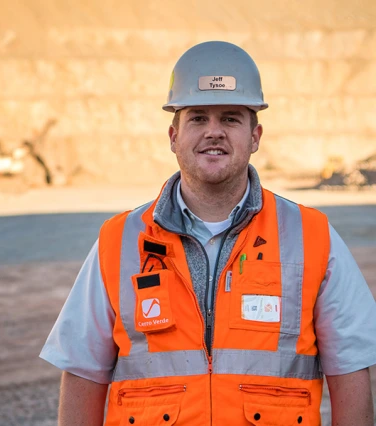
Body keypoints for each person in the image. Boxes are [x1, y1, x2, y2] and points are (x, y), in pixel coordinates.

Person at [39, 41, 376, 426]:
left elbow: (350, 368)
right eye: (198, 118)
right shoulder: (118, 240)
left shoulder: (312, 236)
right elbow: (83, 370)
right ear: (173, 137)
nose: (213, 132)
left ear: (255, 136)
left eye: (231, 119)